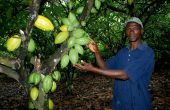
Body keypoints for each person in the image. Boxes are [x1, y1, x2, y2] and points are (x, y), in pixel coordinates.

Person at [74, 17, 155, 110]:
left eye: (135, 28)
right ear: (125, 32)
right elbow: (104, 67)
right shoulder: (122, 52)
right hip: (119, 103)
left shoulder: (147, 53)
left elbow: (125, 74)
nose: (131, 31)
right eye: (128, 28)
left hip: (139, 104)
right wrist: (96, 51)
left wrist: (92, 69)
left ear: (141, 30)